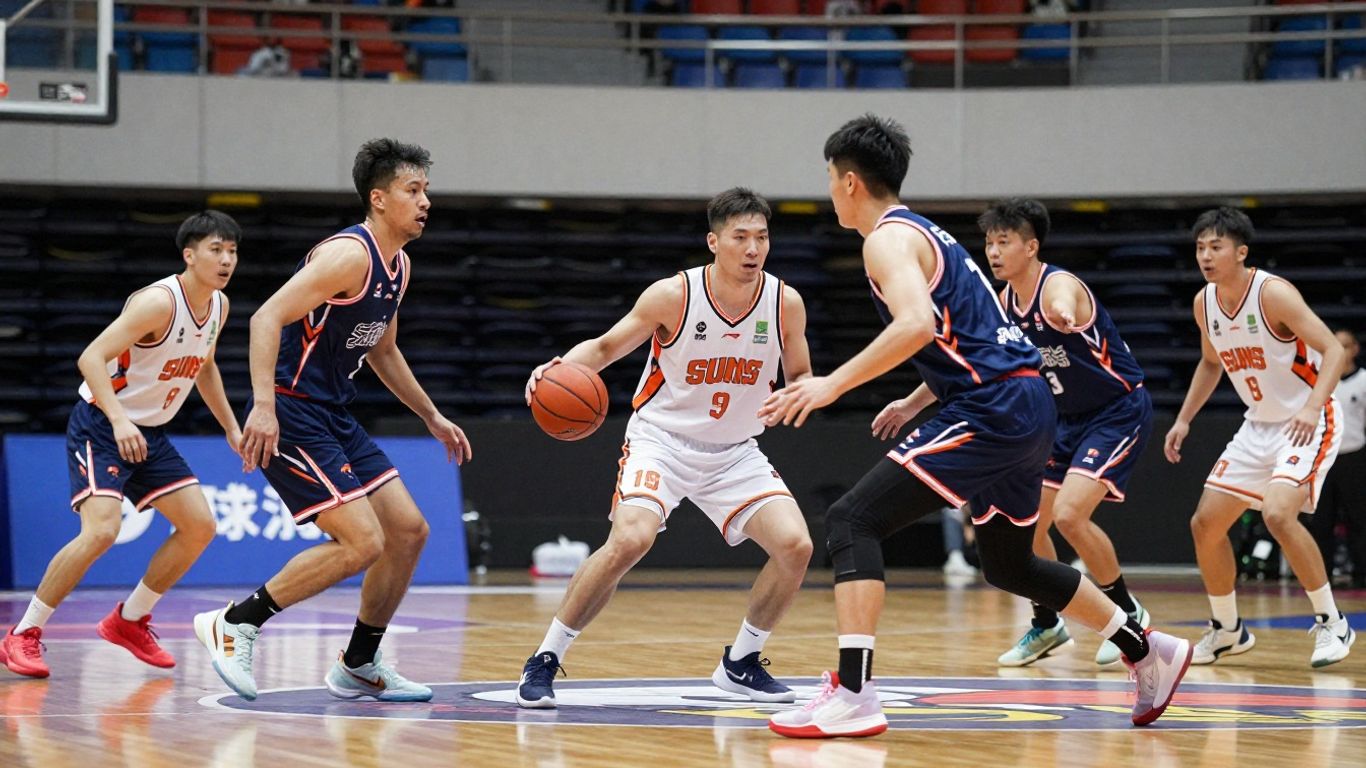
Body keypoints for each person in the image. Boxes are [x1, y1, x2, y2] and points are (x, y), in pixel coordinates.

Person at [763, 115, 1191, 738]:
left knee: (852, 520)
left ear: (850, 181)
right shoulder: (929, 233)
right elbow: (966, 334)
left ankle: (854, 692)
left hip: (996, 408)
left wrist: (832, 383)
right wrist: (916, 402)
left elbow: (914, 326)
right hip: (1026, 404)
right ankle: (1145, 647)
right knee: (1010, 565)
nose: (830, 191)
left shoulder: (885, 239)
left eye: (829, 180)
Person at [193, 139, 472, 702]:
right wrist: (264, 406)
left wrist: (433, 416)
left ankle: (358, 663)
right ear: (378, 198)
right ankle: (237, 621)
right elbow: (266, 316)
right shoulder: (348, 256)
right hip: (293, 410)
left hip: (333, 411)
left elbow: (384, 350)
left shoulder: (400, 265)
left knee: (409, 531)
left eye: (426, 191)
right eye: (412, 191)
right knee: (362, 541)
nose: (425, 202)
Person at [515, 188, 815, 709]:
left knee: (796, 546)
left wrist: (798, 395)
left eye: (762, 238)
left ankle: (740, 664)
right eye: (740, 237)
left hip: (735, 451)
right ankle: (545, 657)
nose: (753, 249)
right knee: (631, 540)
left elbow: (803, 373)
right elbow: (606, 348)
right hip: (662, 441)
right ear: (713, 241)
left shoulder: (784, 302)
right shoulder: (674, 295)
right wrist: (560, 367)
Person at [0, 212, 243, 678]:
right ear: (189, 255)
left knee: (199, 526)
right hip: (102, 424)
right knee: (101, 531)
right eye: (216, 249)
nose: (227, 259)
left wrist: (231, 427)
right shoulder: (158, 303)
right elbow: (90, 357)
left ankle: (129, 620)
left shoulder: (219, 306)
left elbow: (205, 366)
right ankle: (23, 634)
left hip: (149, 431)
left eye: (232, 251)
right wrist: (118, 420)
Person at [1164, 207, 1353, 668]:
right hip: (1259, 423)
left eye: (1216, 247)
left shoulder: (1274, 293)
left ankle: (1333, 622)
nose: (1205, 256)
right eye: (1200, 247)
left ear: (1241, 252)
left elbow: (1331, 349)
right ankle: (1228, 630)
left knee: (1278, 513)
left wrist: (1311, 407)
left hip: (1309, 417)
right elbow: (1211, 362)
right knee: (1205, 524)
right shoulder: (1203, 302)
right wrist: (1184, 418)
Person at [978, 198, 1154, 667]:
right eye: (989, 242)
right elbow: (974, 358)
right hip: (1063, 420)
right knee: (1028, 521)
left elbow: (1064, 302)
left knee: (1073, 514)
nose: (994, 252)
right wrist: (913, 401)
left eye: (1004, 241)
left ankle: (1127, 611)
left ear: (1031, 246)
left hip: (1115, 410)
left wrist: (1061, 316)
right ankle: (1047, 623)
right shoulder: (1003, 303)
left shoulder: (1059, 284)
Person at [1311, 329, 1365, 587]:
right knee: (1321, 521)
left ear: (1354, 349)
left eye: (1344, 345)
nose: (1339, 351)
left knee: (1359, 519)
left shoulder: (1363, 380)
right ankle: (1322, 578)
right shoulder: (1320, 381)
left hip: (1354, 457)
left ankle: (1361, 574)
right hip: (1323, 459)